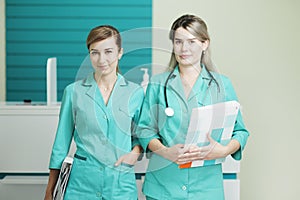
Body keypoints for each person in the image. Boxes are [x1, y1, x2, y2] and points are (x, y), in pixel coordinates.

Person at [137, 14, 249, 199]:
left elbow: (241, 132)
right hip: (163, 187)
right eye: (178, 41)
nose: (184, 48)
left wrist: (224, 150)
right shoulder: (158, 84)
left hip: (205, 189)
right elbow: (144, 129)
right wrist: (165, 151)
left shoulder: (222, 84)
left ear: (205, 43)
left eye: (191, 41)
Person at [44, 25, 144, 200]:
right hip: (81, 185)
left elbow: (142, 136)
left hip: (120, 184)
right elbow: (61, 143)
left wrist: (134, 154)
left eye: (108, 52)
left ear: (120, 53)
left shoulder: (135, 93)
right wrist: (50, 190)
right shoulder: (74, 92)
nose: (101, 59)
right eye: (94, 52)